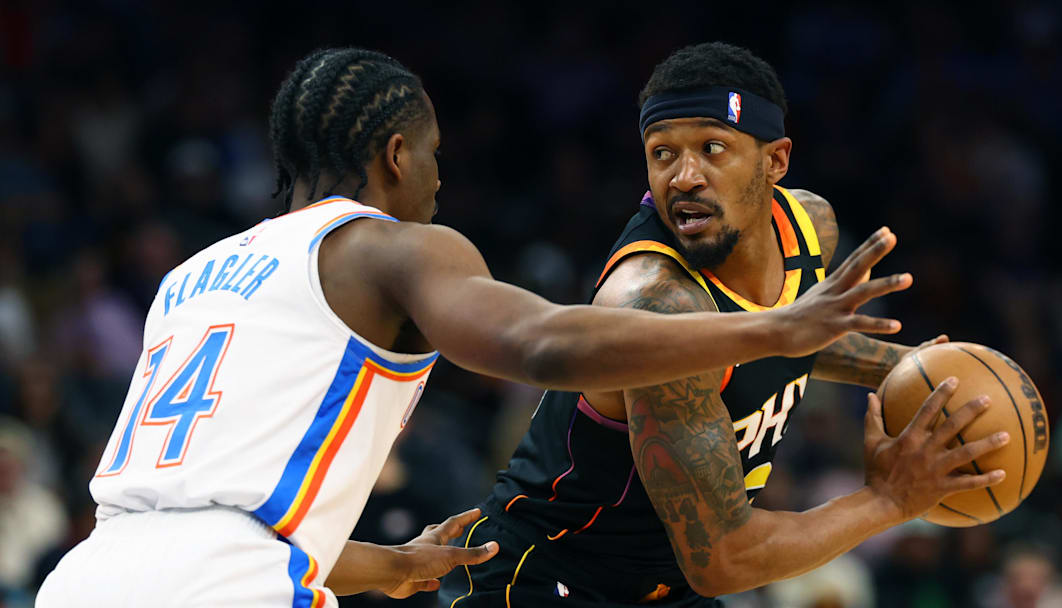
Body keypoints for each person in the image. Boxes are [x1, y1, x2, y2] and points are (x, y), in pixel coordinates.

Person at [35, 48, 910, 608]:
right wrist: (769, 332)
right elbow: (543, 346)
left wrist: (394, 567)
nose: (441, 184)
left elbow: (207, 515)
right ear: (398, 156)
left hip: (88, 576)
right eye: (437, 158)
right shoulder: (391, 249)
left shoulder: (190, 278)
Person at [438, 42, 1009, 607]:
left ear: (775, 161)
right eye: (662, 153)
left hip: (666, 587)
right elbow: (727, 558)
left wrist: (914, 369)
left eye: (713, 148)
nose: (685, 176)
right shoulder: (656, 304)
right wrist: (888, 501)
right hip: (546, 574)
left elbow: (781, 337)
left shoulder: (809, 228)